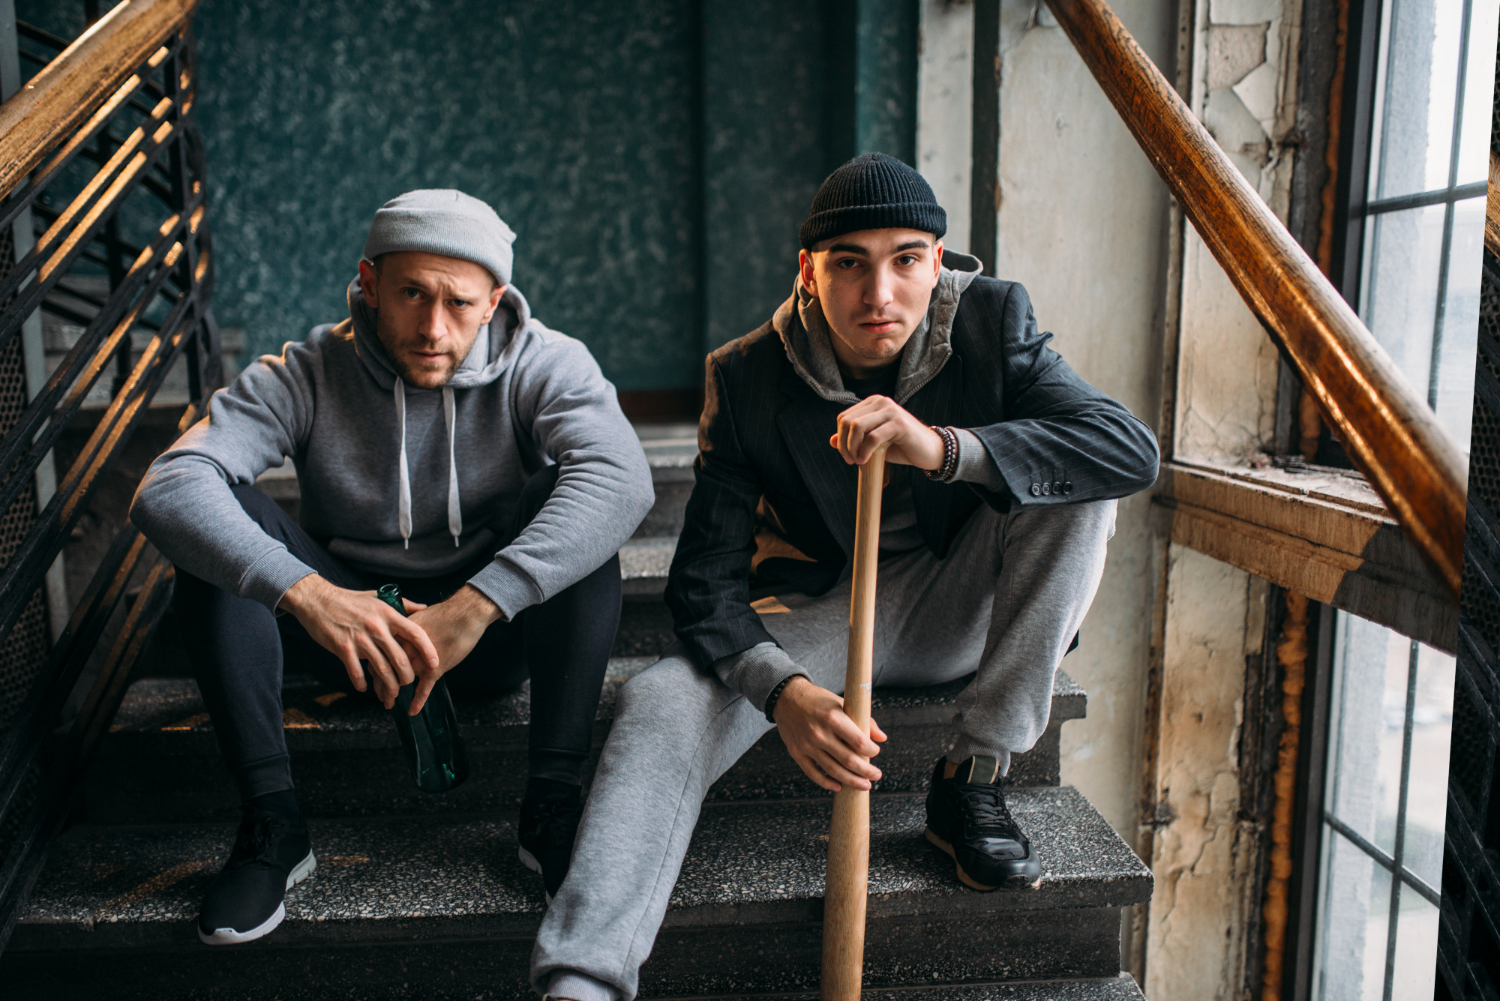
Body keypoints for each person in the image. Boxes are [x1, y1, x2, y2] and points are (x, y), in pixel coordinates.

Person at [529, 153, 1160, 1001]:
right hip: (823, 614)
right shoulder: (746, 374)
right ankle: (581, 978)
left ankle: (973, 777)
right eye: (849, 263)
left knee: (1077, 489)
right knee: (658, 700)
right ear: (808, 272)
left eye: (906, 259)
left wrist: (944, 449)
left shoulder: (993, 321)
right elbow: (701, 587)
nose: (879, 294)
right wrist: (780, 690)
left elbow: (1128, 449)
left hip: (960, 600)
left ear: (939, 264)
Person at [130, 189, 653, 946]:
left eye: (458, 302)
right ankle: (274, 823)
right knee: (218, 527)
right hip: (346, 637)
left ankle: (552, 805)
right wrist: (308, 592)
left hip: (486, 638)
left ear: (494, 302)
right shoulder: (307, 371)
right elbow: (166, 486)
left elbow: (623, 477)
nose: (434, 327)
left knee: (577, 518)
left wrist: (475, 605)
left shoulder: (545, 361)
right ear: (370, 284)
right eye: (410, 293)